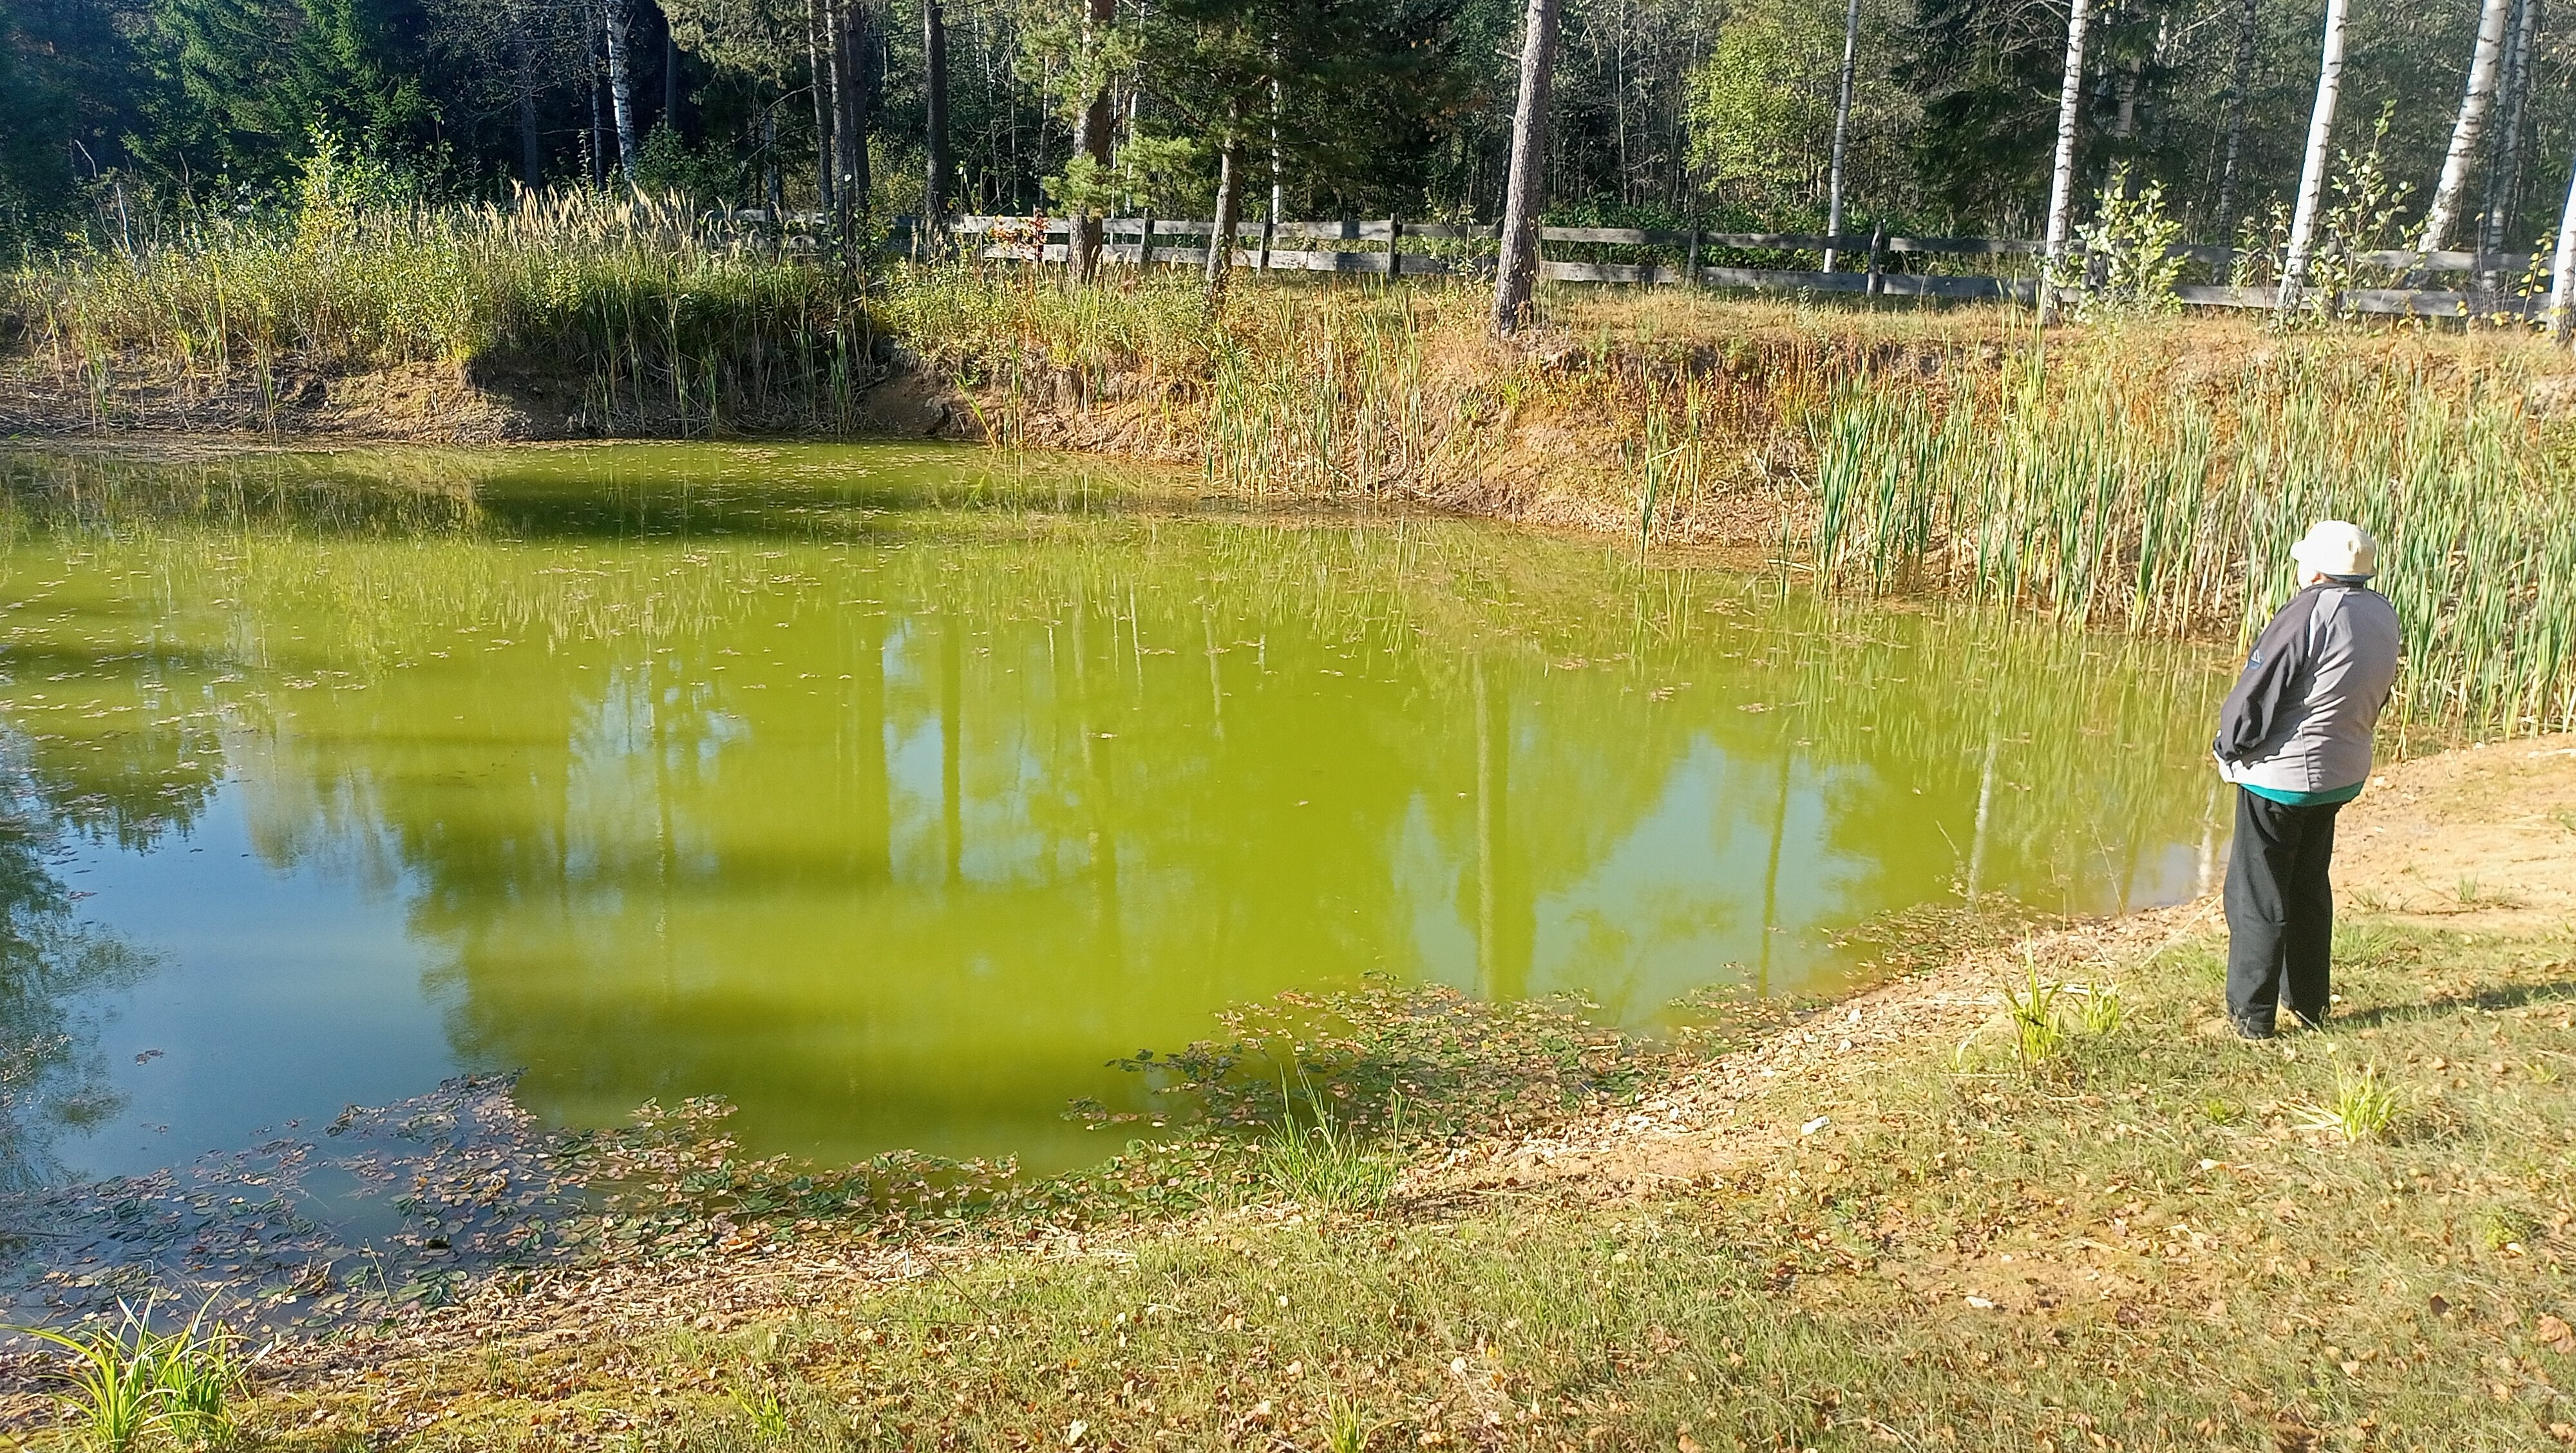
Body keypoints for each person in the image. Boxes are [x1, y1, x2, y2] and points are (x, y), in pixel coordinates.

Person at [2208, 520, 2400, 1040]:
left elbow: (2259, 690)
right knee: (2308, 884)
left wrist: (2229, 746)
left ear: (2315, 569)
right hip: (2341, 773)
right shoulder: (2381, 611)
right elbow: (2377, 692)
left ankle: (2251, 1017)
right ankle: (2310, 1003)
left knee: (2258, 893)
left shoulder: (2308, 610)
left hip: (2283, 777)